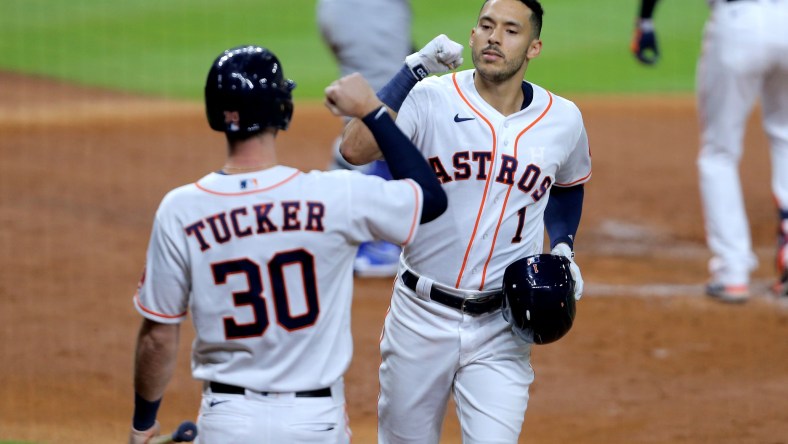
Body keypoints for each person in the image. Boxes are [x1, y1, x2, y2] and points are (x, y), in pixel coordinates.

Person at [128, 45, 448, 444]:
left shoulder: (180, 209)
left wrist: (144, 423)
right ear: (283, 110)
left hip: (229, 420)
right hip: (313, 421)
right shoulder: (333, 196)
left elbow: (158, 334)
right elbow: (431, 198)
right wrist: (371, 109)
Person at [340, 0, 591, 441]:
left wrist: (565, 245)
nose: (494, 37)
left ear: (534, 47)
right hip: (420, 316)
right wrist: (413, 69)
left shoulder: (562, 119)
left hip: (503, 326)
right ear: (472, 35)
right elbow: (355, 150)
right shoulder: (431, 97)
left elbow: (569, 184)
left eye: (511, 31)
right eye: (486, 26)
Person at [632, 0, 788, 302]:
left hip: (737, 22)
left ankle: (732, 271)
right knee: (786, 137)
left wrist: (646, 20)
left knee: (719, 153)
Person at [317, 0, 415, 278]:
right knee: (381, 115)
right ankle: (367, 239)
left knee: (386, 110)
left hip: (367, 12)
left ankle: (337, 227)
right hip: (369, 11)